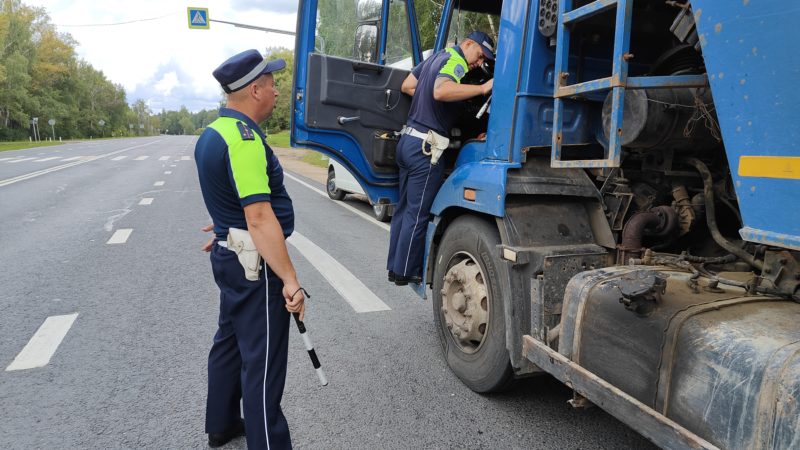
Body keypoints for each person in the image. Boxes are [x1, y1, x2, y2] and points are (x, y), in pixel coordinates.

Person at [194, 49, 305, 449]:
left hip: (230, 256)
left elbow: (230, 200)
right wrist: (290, 280)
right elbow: (258, 216)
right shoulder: (243, 141)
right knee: (262, 361)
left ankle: (222, 423)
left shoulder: (213, 133)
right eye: (273, 86)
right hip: (253, 265)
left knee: (228, 342)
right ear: (254, 90)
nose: (277, 93)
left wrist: (226, 226)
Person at [387, 31, 496, 285]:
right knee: (418, 213)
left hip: (408, 142)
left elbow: (407, 85)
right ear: (468, 44)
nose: (479, 63)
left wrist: (433, 104)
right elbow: (440, 90)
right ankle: (407, 272)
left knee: (403, 210)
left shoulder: (436, 57)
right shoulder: (456, 60)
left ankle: (395, 267)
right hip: (427, 148)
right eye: (480, 56)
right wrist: (482, 87)